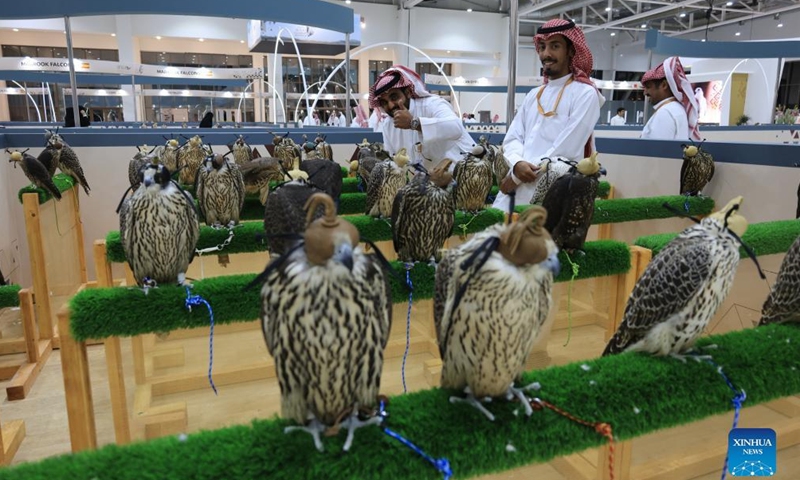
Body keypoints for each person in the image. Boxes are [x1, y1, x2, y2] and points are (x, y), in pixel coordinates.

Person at [491, 18, 604, 211]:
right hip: (515, 186)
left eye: (555, 46)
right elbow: (513, 138)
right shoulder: (534, 95)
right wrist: (517, 163)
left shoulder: (586, 93)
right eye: (542, 47)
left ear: (571, 50)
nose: (546, 54)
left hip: (555, 190)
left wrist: (517, 176)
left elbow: (565, 149)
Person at [368, 64, 475, 170]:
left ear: (408, 92)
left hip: (464, 173)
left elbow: (456, 127)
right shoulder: (388, 124)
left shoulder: (432, 104)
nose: (391, 105)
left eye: (394, 97)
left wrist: (414, 123)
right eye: (384, 102)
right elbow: (393, 160)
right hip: (425, 181)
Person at [640, 56, 700, 141]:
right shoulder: (675, 108)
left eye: (648, 87)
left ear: (664, 85)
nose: (645, 93)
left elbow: (657, 150)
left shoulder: (666, 112)